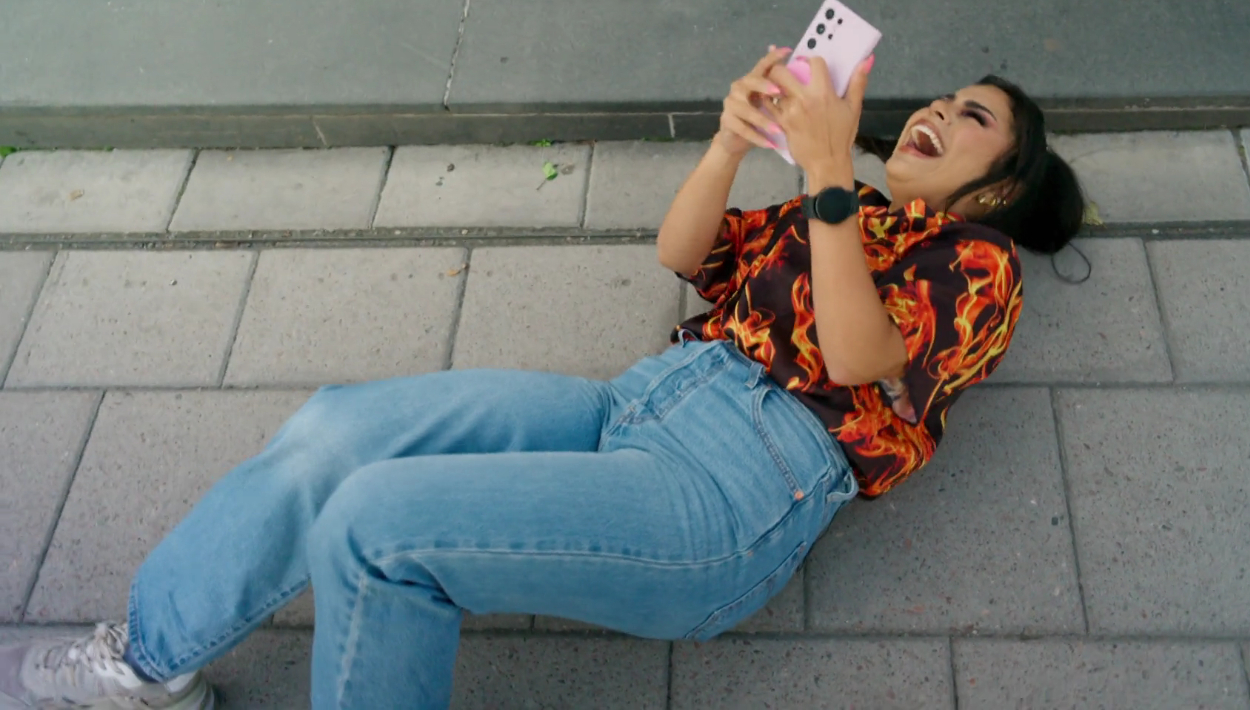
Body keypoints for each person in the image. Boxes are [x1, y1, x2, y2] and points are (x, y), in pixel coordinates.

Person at [1, 46, 1084, 709]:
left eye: (973, 117)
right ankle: (148, 664)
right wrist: (725, 140)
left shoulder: (975, 267)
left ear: (993, 190)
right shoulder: (837, 201)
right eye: (944, 95)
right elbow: (683, 254)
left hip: (736, 491)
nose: (940, 109)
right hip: (634, 403)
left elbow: (855, 358)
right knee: (336, 433)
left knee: (376, 528)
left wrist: (822, 174)